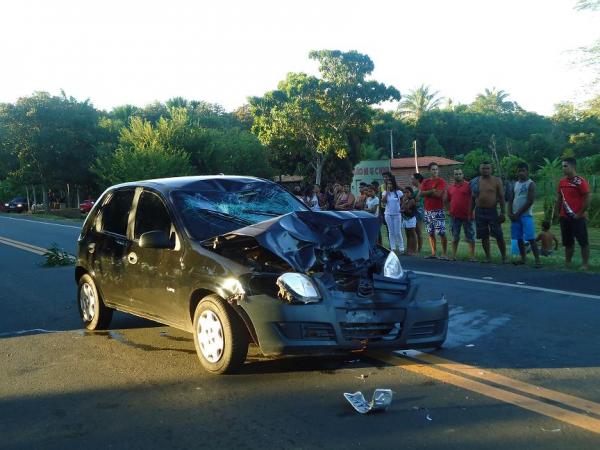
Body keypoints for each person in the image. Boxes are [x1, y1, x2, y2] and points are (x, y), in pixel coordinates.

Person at [556, 157, 591, 270]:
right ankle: (568, 262)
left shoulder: (580, 181)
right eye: (562, 166)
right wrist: (558, 213)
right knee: (567, 242)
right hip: (564, 217)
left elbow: (587, 198)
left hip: (577, 217)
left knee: (583, 241)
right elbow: (559, 198)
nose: (563, 168)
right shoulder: (561, 182)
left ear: (573, 166)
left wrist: (580, 213)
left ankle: (585, 264)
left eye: (565, 166)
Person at [471, 161, 507, 263]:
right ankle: (488, 257)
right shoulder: (476, 181)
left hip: (492, 211)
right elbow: (473, 198)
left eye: (487, 168)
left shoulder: (496, 181)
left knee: (499, 234)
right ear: (480, 169)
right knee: (483, 235)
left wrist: (503, 212)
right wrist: (470, 212)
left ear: (491, 169)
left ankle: (504, 257)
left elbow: (501, 197)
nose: (485, 170)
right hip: (479, 211)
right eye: (483, 168)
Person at [508, 163, 541, 267]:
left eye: (523, 170)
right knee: (518, 238)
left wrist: (518, 213)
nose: (521, 172)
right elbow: (511, 199)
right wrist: (509, 212)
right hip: (515, 216)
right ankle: (523, 258)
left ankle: (537, 260)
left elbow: (530, 201)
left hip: (526, 216)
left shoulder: (530, 184)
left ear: (527, 171)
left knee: (531, 238)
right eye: (519, 170)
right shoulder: (515, 184)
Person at [445, 168, 475, 261]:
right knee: (454, 236)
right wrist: (449, 210)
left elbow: (474, 198)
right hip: (455, 216)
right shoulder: (450, 187)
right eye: (456, 174)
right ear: (453, 176)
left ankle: (472, 256)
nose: (458, 175)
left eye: (459, 174)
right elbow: (446, 200)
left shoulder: (469, 185)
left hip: (468, 215)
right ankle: (453, 255)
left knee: (470, 236)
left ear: (463, 175)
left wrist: (472, 211)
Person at [420, 162, 447, 259]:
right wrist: (432, 191)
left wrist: (426, 193)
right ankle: (433, 253)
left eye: (436, 169)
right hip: (427, 210)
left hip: (438, 210)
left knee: (441, 232)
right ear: (429, 170)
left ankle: (444, 254)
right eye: (433, 169)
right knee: (430, 232)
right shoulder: (425, 182)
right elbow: (421, 194)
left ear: (438, 170)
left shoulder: (441, 181)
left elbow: (438, 195)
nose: (435, 171)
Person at [382, 176, 404, 255]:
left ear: (394, 184)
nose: (389, 185)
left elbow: (402, 202)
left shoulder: (398, 192)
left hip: (397, 214)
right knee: (391, 232)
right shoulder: (385, 192)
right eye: (388, 184)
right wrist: (387, 192)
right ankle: (393, 248)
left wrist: (401, 208)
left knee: (397, 232)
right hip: (388, 214)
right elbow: (383, 201)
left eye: (391, 184)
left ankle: (401, 248)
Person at [401, 186, 418, 256]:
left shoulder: (412, 200)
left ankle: (413, 250)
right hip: (405, 218)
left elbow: (407, 209)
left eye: (407, 192)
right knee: (407, 235)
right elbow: (402, 208)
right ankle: (408, 249)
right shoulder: (405, 200)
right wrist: (403, 203)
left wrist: (404, 202)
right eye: (404, 192)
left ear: (411, 193)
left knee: (412, 234)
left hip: (411, 219)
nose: (405, 194)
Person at [411, 173, 425, 254]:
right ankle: (414, 248)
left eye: (412, 179)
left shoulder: (421, 188)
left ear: (417, 180)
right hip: (414, 209)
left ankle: (419, 249)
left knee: (418, 231)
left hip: (419, 210)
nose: (411, 180)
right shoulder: (414, 188)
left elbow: (417, 199)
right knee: (413, 230)